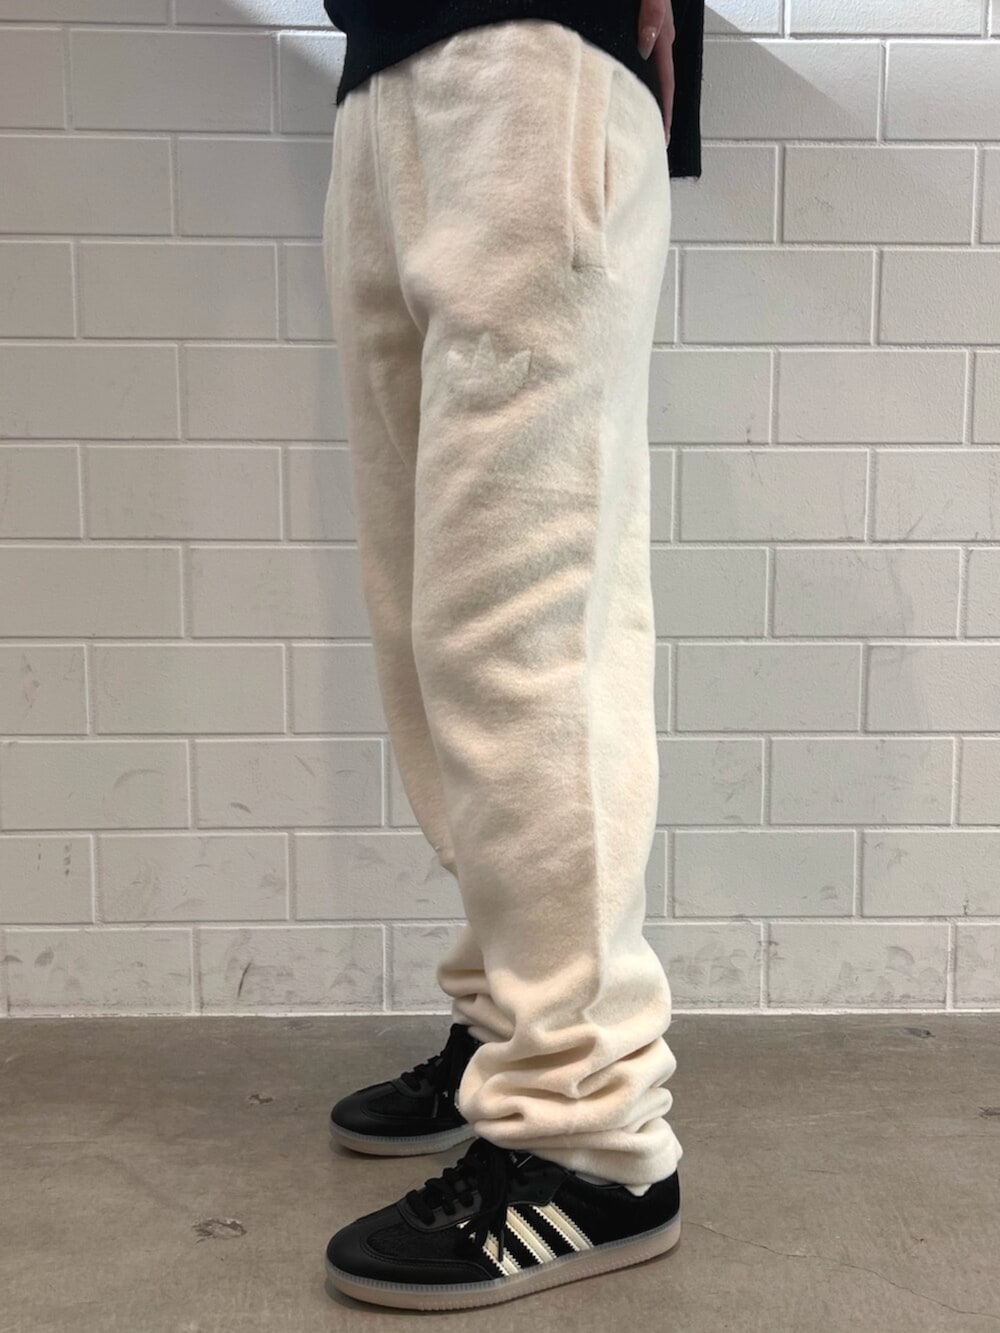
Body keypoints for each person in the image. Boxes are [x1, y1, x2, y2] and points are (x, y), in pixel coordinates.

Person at [320, 0, 705, 1311]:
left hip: (535, 54)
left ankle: (589, 1136)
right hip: (384, 71)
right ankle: (512, 1021)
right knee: (431, 621)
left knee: (520, 632)